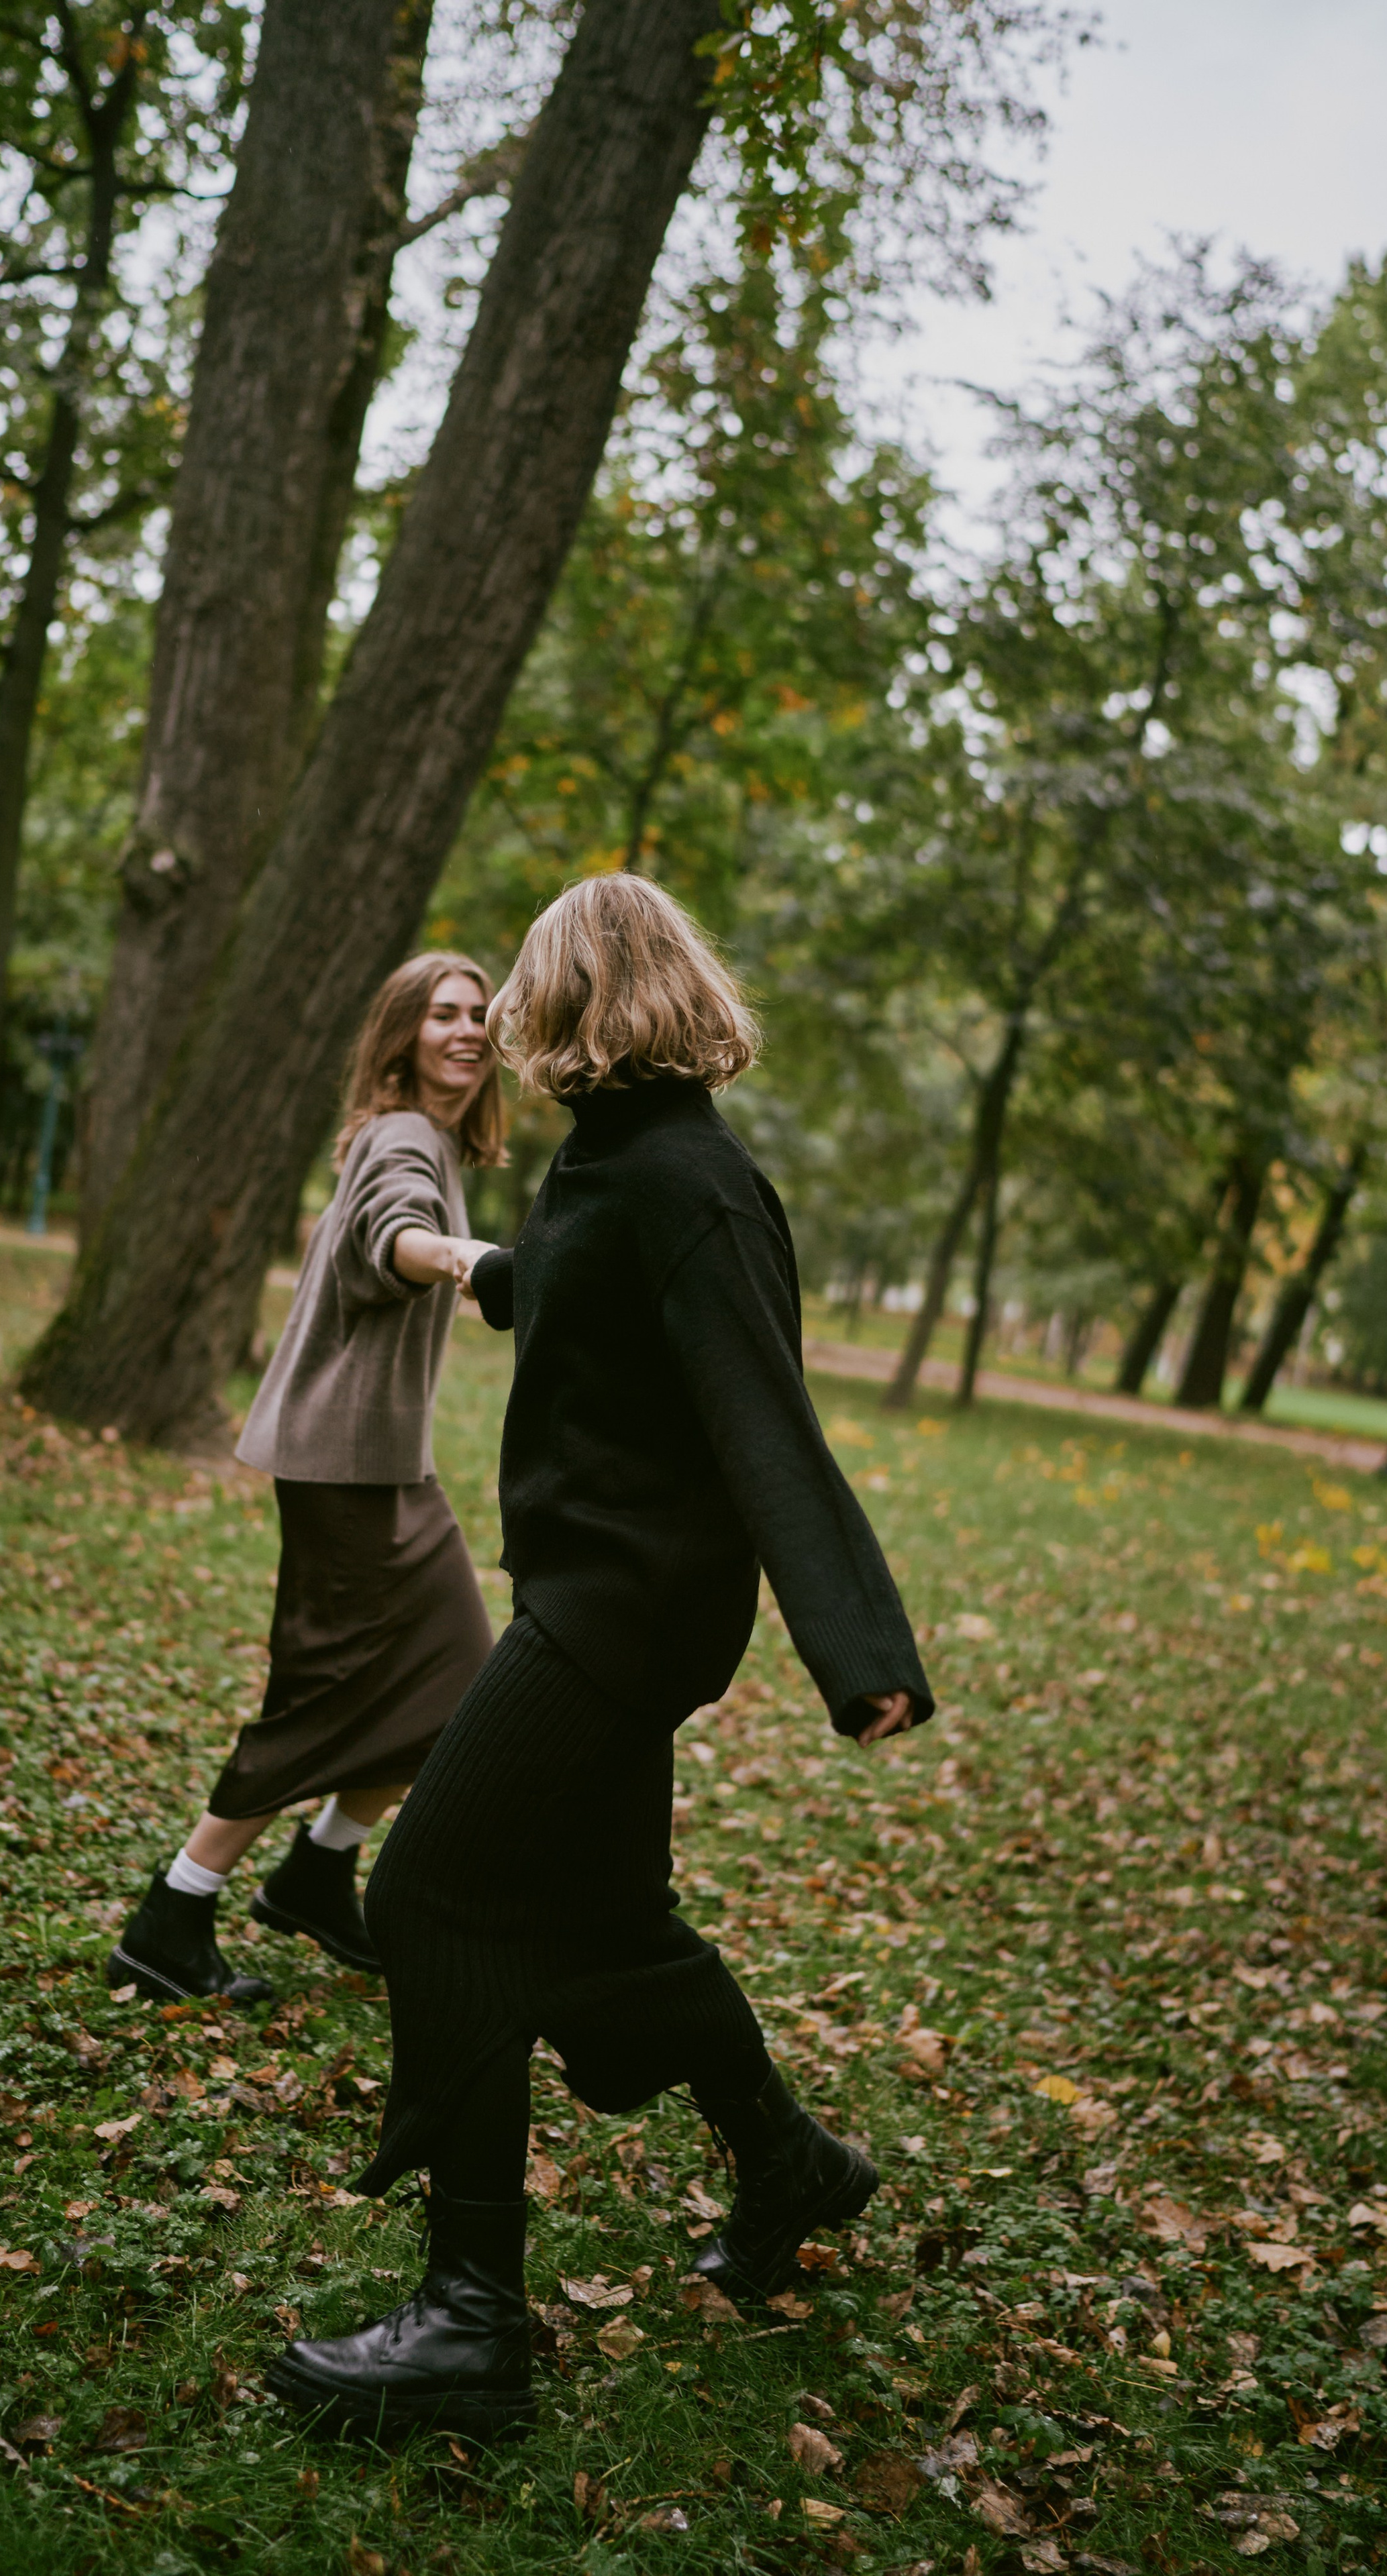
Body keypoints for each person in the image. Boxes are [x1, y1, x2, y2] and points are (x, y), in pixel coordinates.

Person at [267, 875, 933, 2440]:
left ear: (588, 999)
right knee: (607, 1921)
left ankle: (469, 2324)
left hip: (620, 1617)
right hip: (599, 1592)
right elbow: (562, 1278)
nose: (496, 1018)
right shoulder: (617, 1161)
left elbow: (760, 1410)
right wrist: (477, 1267)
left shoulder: (685, 1184)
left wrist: (858, 1644)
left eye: (524, 991)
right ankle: (788, 2161)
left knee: (430, 1893)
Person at [107, 954, 504, 2006]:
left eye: (479, 1016)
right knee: (328, 1696)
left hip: (376, 1466)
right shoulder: (406, 1139)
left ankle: (318, 1871)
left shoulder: (428, 1138)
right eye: (443, 1016)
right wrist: (461, 1258)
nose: (466, 1031)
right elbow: (396, 1234)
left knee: (455, 1681)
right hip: (348, 1472)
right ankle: (175, 1911)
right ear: (402, 1035)